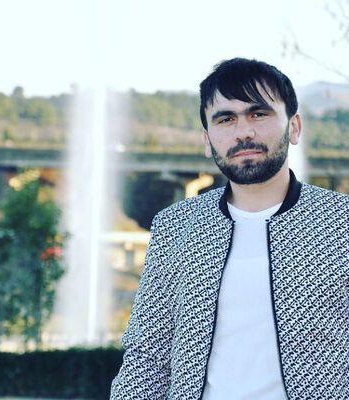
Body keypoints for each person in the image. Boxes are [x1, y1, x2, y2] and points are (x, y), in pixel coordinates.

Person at [110, 58, 349, 400]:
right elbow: (147, 359)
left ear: (294, 127)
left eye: (259, 114)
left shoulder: (340, 222)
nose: (243, 132)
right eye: (226, 119)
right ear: (207, 140)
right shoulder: (176, 227)